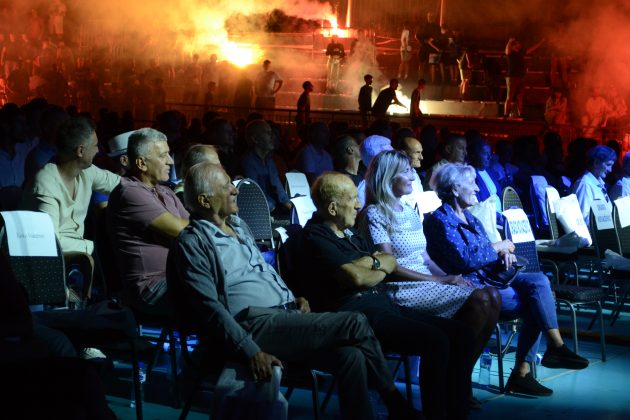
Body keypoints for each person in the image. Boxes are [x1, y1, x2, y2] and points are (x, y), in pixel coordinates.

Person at [168, 162, 420, 420]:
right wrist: (251, 351)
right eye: (226, 187)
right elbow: (209, 308)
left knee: (351, 355)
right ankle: (396, 403)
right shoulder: (193, 242)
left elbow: (262, 273)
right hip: (251, 325)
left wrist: (291, 296)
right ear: (205, 201)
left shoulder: (239, 226)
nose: (235, 190)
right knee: (355, 322)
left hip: (283, 317)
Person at [294, 172, 475, 419]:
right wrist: (376, 264)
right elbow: (358, 278)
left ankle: (457, 412)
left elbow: (387, 262)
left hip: (383, 304)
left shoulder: (350, 233)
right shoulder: (315, 237)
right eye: (352, 199)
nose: (358, 204)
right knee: (436, 341)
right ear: (333, 208)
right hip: (356, 314)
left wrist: (371, 265)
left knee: (462, 334)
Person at [424, 163, 589, 397]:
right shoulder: (439, 221)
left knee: (539, 281)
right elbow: (464, 259)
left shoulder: (470, 218)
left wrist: (504, 253)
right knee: (536, 304)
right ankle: (523, 372)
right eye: (471, 183)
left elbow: (484, 251)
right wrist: (498, 246)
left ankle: (556, 345)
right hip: (471, 284)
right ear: (454, 188)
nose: (477, 189)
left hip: (493, 275)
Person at [361, 151, 501, 378]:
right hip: (401, 289)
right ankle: (454, 376)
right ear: (389, 177)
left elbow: (425, 258)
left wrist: (452, 279)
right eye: (406, 172)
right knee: (481, 300)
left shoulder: (409, 211)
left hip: (427, 282)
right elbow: (389, 267)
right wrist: (441, 280)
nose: (413, 177)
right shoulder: (375, 214)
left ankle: (459, 372)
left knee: (493, 295)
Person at [107, 128, 189, 316]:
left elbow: (194, 228)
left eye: (169, 154)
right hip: (152, 287)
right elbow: (184, 231)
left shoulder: (166, 192)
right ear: (141, 163)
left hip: (175, 277)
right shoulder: (129, 193)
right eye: (163, 155)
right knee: (220, 289)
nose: (170, 161)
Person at [25, 116, 120, 255]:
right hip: (53, 260)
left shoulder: (87, 170)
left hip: (78, 254)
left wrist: (149, 189)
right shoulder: (45, 185)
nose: (98, 150)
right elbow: (50, 241)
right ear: (80, 151)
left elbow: (119, 184)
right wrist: (95, 248)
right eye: (95, 145)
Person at [240, 120, 293, 215]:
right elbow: (255, 195)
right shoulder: (248, 162)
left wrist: (290, 206)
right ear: (255, 139)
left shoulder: (269, 161)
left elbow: (279, 189)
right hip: (259, 214)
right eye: (268, 133)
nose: (273, 137)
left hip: (273, 210)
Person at [572, 145, 616, 226]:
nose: (610, 170)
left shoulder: (599, 183)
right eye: (608, 164)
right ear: (596, 163)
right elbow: (584, 219)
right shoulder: (585, 184)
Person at [504, 37, 544, 118]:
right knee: (510, 97)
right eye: (518, 43)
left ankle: (520, 114)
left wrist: (540, 43)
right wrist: (510, 41)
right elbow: (507, 50)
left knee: (520, 97)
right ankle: (506, 114)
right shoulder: (510, 52)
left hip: (521, 77)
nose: (520, 44)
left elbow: (531, 49)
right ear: (514, 45)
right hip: (512, 77)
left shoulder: (520, 52)